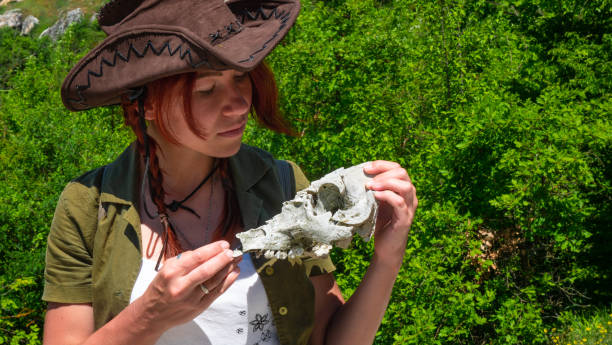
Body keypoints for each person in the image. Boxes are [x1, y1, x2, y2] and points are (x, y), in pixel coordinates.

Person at [42, 0, 418, 344]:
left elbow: (328, 337)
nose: (239, 104)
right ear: (147, 105)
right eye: (207, 89)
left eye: (241, 77)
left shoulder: (284, 185)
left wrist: (388, 257)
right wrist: (150, 316)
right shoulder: (88, 206)